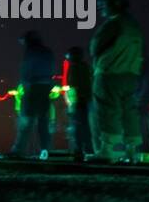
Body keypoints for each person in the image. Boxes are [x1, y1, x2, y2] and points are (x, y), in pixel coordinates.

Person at [88, 0, 144, 162]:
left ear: (115, 3)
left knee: (107, 110)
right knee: (129, 111)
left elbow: (94, 47)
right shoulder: (134, 24)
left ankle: (109, 150)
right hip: (131, 74)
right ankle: (133, 150)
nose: (101, 8)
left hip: (110, 73)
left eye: (103, 4)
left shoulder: (114, 23)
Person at [11, 30, 55, 158]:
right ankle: (46, 150)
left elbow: (26, 71)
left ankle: (19, 150)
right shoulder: (48, 52)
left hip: (33, 87)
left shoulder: (31, 52)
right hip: (45, 87)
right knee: (43, 120)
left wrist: (26, 86)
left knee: (26, 119)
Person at [63, 46, 93, 161]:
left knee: (77, 126)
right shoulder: (86, 67)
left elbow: (74, 85)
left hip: (78, 101)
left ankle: (79, 150)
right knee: (85, 126)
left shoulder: (75, 68)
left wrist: (71, 102)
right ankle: (87, 149)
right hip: (85, 100)